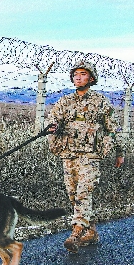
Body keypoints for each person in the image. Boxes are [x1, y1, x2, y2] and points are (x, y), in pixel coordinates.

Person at [46, 60, 124, 253]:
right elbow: (53, 119)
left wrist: (120, 152)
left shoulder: (100, 102)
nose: (78, 77)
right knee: (73, 194)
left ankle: (76, 232)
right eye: (75, 74)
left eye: (82, 74)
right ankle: (91, 231)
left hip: (90, 154)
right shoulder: (65, 101)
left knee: (84, 192)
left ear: (91, 78)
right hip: (69, 153)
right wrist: (53, 126)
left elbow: (113, 128)